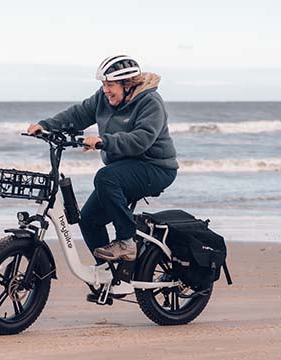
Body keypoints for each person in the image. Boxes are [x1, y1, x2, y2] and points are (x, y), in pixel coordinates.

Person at [27, 55, 178, 263]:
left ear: (128, 84)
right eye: (103, 84)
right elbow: (79, 114)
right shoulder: (103, 98)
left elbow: (141, 139)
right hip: (124, 167)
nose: (105, 89)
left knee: (106, 177)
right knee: (88, 220)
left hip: (156, 167)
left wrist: (103, 141)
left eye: (110, 84)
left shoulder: (150, 102)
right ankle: (107, 274)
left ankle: (126, 241)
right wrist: (46, 125)